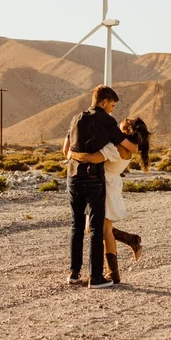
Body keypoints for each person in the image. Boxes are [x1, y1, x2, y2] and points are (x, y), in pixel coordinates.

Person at [63, 85, 138, 289]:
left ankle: (74, 273)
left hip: (72, 177)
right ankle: (96, 277)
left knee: (77, 225)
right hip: (93, 179)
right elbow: (131, 147)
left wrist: (76, 156)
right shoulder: (106, 121)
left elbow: (66, 151)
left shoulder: (76, 118)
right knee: (96, 228)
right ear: (104, 102)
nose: (113, 109)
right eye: (112, 105)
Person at [68, 117, 151, 284]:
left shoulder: (116, 147)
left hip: (105, 186)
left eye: (129, 120)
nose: (125, 118)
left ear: (128, 130)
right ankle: (131, 240)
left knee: (104, 230)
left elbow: (94, 158)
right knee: (92, 228)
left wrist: (73, 154)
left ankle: (113, 273)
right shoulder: (127, 146)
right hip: (108, 184)